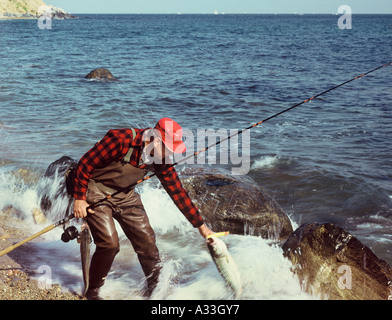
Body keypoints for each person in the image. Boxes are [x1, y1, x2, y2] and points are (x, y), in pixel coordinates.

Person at [72, 117, 213, 300]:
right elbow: (85, 164)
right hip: (95, 188)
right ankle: (93, 292)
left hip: (125, 195)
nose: (170, 153)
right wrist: (80, 199)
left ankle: (157, 292)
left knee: (147, 242)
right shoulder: (120, 140)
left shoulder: (160, 157)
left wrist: (201, 226)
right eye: (168, 148)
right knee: (110, 243)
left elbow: (177, 192)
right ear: (154, 139)